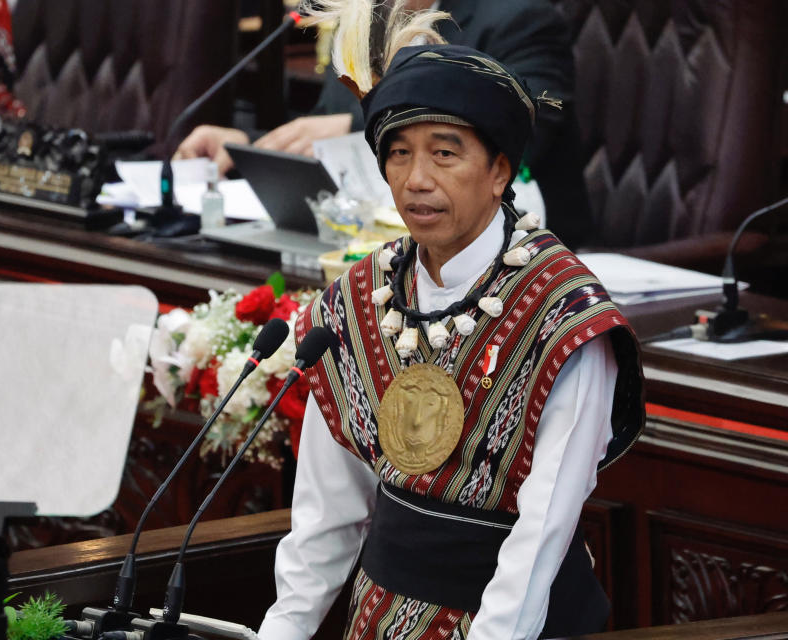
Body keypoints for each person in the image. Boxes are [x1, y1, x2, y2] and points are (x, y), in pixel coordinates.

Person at [256, 9, 644, 640]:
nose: (417, 181)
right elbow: (327, 515)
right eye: (399, 155)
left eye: (444, 154)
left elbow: (541, 534)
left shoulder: (564, 315)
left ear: (499, 171)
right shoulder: (356, 300)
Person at [174, 0, 592, 248]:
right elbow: (325, 132)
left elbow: (525, 130)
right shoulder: (363, 23)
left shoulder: (519, 17)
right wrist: (247, 143)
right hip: (376, 247)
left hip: (519, 248)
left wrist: (361, 127)